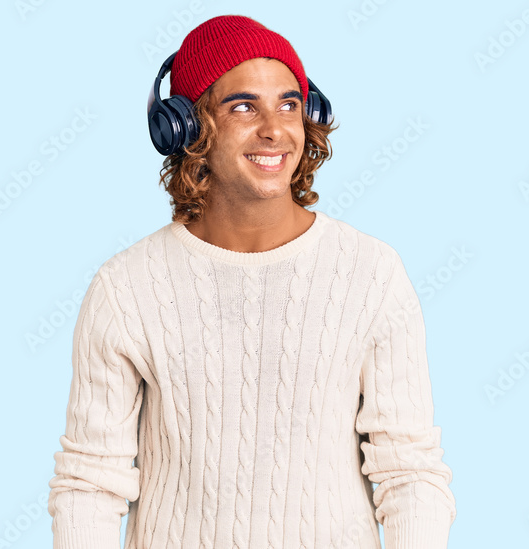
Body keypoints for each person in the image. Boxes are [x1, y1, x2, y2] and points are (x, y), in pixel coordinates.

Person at [47, 14, 456, 549]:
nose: (274, 129)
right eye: (243, 106)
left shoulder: (371, 273)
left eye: (288, 104)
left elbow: (410, 472)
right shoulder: (126, 289)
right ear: (187, 127)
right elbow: (90, 484)